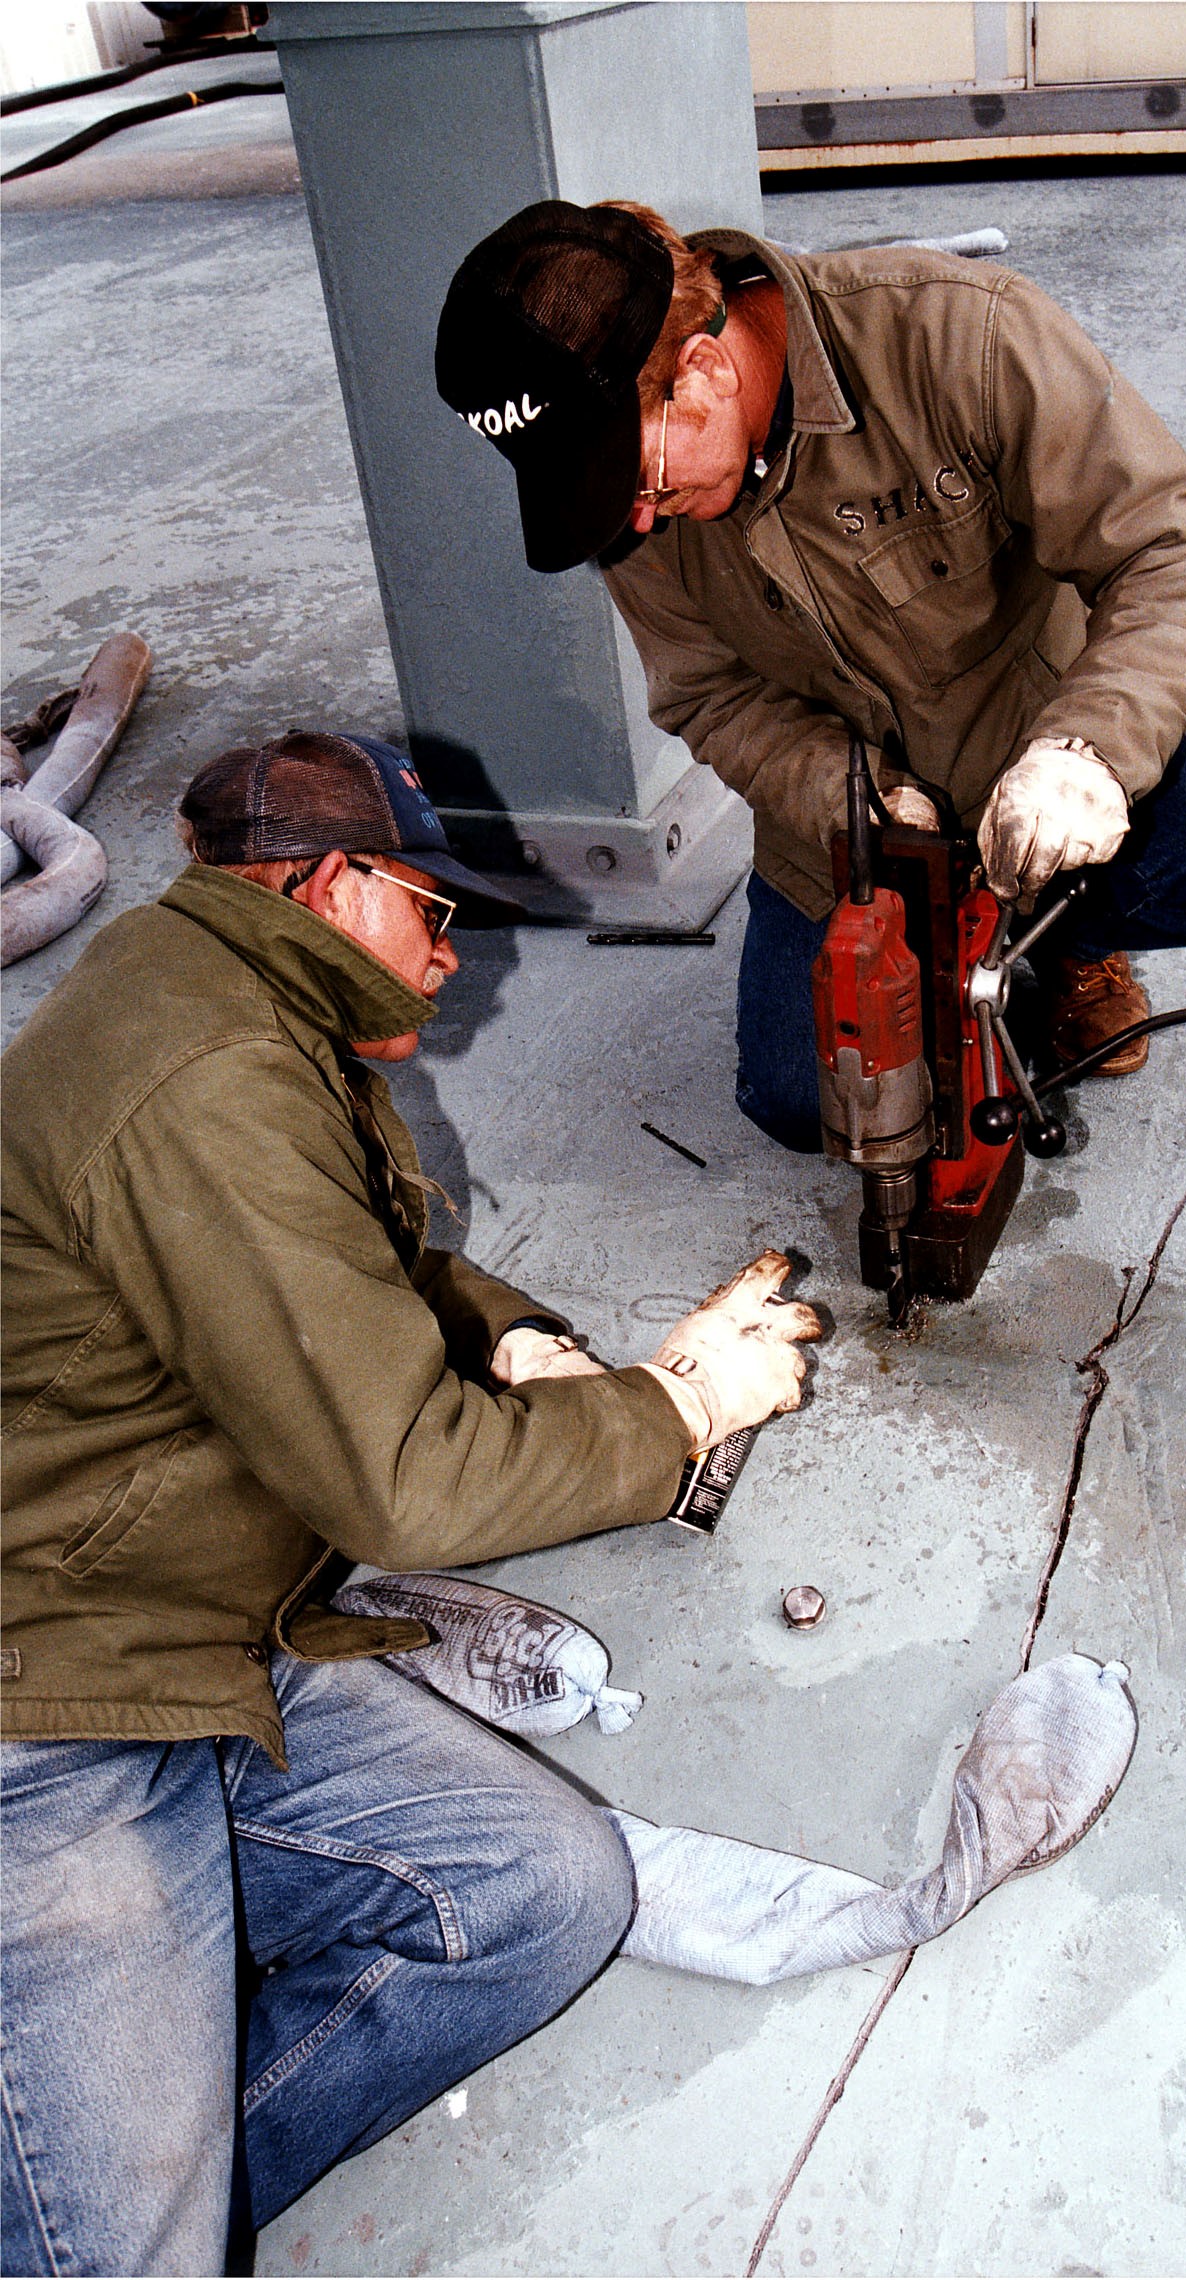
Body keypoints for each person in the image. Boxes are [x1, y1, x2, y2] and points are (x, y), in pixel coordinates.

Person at [0, 728, 820, 2276]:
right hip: (46, 1702)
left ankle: (88, 2170)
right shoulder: (213, 1076)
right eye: (430, 912)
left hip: (206, 1633)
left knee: (542, 1894)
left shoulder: (220, 988)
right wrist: (677, 1412)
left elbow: (333, 1258)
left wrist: (489, 1327)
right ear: (324, 884)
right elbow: (406, 1482)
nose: (451, 953)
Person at [436, 198, 1186, 1150]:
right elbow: (707, 694)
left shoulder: (959, 337)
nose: (640, 520)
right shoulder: (636, 502)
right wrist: (843, 799)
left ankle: (1073, 944)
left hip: (1034, 750)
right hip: (850, 833)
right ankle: (961, 965)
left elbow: (1175, 552)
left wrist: (1088, 754)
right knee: (795, 1103)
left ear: (702, 369)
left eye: (643, 480)